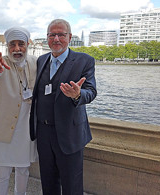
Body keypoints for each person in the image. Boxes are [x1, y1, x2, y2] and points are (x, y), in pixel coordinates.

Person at [30, 19, 97, 194]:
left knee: (72, 185)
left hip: (70, 133)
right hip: (44, 134)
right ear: (47, 38)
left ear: (70, 37)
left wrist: (77, 95)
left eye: (61, 34)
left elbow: (91, 91)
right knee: (48, 182)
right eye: (52, 35)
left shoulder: (84, 61)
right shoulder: (41, 60)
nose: (57, 39)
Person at [0, 26, 37, 195]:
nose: (17, 49)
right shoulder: (1, 63)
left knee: (23, 172)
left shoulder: (36, 62)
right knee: (1, 174)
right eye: (12, 44)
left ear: (28, 44)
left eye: (21, 44)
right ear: (6, 46)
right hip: (2, 129)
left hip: (25, 131)